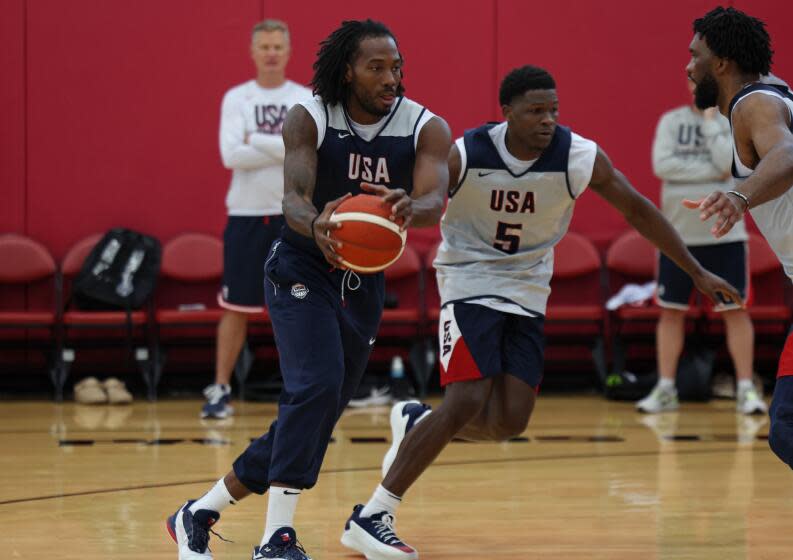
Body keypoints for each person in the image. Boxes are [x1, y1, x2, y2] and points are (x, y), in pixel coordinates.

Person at [340, 65, 743, 560]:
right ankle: (373, 513)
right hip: (469, 278)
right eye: (535, 111)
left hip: (529, 289)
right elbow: (426, 203)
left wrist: (697, 271)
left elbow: (638, 210)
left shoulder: (577, 157)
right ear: (506, 113)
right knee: (466, 400)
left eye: (553, 109)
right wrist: (408, 207)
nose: (548, 119)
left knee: (509, 421)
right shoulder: (467, 152)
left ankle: (416, 421)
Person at [168, 19, 451, 560]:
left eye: (397, 67)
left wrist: (411, 207)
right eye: (377, 67)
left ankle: (199, 512)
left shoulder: (425, 126)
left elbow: (433, 195)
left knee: (315, 412)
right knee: (315, 387)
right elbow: (294, 197)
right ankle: (277, 538)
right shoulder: (312, 115)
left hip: (362, 280)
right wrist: (313, 222)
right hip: (301, 265)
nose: (392, 77)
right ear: (348, 71)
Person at [681, 7, 793, 469]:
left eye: (695, 55)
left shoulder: (754, 104)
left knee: (787, 426)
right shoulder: (773, 92)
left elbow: (786, 155)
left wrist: (740, 196)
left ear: (721, 63)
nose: (688, 67)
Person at [203, 19, 311, 419]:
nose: (270, 53)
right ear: (252, 51)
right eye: (264, 46)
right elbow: (230, 156)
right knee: (236, 307)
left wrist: (257, 141)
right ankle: (219, 388)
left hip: (294, 214)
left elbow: (308, 153)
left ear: (288, 51)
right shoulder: (237, 98)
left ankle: (303, 392)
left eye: (277, 47)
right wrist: (285, 146)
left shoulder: (303, 98)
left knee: (303, 304)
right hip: (247, 216)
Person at [636, 78, 765, 415]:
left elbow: (728, 164)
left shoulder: (729, 120)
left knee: (735, 311)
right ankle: (665, 389)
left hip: (724, 234)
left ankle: (746, 389)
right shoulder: (671, 121)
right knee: (670, 311)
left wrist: (710, 126)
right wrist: (711, 172)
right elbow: (661, 166)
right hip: (676, 236)